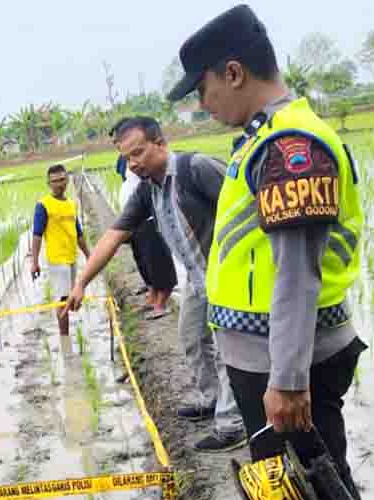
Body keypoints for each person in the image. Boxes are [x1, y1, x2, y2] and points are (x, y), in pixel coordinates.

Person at [167, 5, 366, 497]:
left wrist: (290, 379)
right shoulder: (263, 140)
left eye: (202, 89)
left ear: (233, 73)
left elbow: (297, 274)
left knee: (313, 485)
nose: (202, 103)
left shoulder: (290, 147)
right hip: (270, 360)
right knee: (287, 485)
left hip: (288, 366)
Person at [62, 116, 245, 452]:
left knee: (225, 351)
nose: (133, 164)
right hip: (197, 278)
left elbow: (246, 208)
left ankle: (232, 425)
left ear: (161, 143)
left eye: (139, 153)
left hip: (227, 278)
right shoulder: (148, 191)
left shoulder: (197, 169)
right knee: (191, 337)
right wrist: (81, 283)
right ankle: (211, 398)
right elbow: (113, 236)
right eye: (127, 158)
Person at [31, 164, 91, 338]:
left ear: (67, 180)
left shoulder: (72, 204)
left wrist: (89, 255)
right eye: (55, 181)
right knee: (63, 300)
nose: (59, 184)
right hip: (57, 260)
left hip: (72, 257)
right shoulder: (43, 205)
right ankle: (65, 339)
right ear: (48, 183)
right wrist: (34, 262)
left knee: (71, 298)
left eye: (62, 179)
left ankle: (66, 332)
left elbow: (78, 232)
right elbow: (37, 235)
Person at [116, 153, 178, 319]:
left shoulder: (146, 171)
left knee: (158, 262)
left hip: (150, 222)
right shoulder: (125, 162)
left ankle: (161, 304)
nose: (131, 164)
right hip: (136, 225)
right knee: (145, 263)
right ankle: (152, 298)